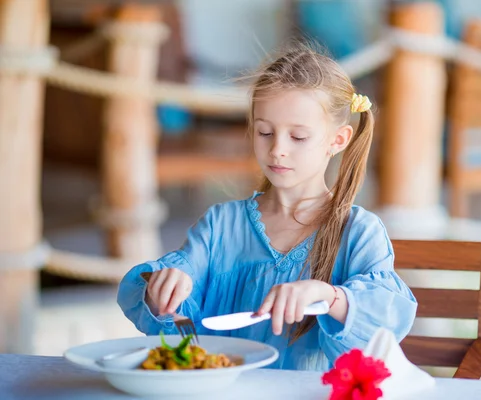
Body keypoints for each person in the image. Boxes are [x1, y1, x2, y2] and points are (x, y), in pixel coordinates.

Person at [117, 43, 417, 371]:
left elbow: (385, 322)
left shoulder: (359, 232)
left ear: (338, 139)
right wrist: (164, 288)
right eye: (265, 132)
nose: (277, 150)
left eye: (298, 137)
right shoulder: (220, 225)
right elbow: (171, 312)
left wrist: (330, 297)